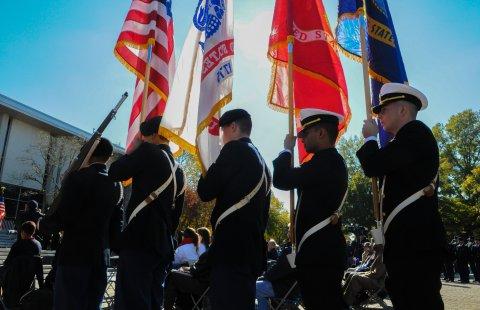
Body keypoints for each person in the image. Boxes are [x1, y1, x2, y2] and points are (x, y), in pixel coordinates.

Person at [356, 83, 446, 309]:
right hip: (409, 242)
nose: (379, 116)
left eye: (383, 109)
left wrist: (370, 139)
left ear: (403, 111)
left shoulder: (415, 132)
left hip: (416, 242)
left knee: (419, 300)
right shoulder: (405, 139)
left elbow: (374, 165)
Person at [273, 109, 348, 309]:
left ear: (321, 133)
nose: (302, 139)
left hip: (321, 254)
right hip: (318, 251)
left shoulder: (327, 161)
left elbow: (281, 179)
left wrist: (286, 150)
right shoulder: (324, 162)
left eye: (306, 133)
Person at [197, 109, 271, 310]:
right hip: (251, 252)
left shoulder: (234, 150)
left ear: (233, 127)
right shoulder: (264, 165)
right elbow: (264, 216)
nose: (220, 136)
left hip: (230, 251)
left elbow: (205, 192)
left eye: (221, 130)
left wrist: (208, 164)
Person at [109, 116, 185, 310]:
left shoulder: (148, 152)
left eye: (144, 135)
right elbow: (176, 216)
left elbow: (115, 172)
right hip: (163, 244)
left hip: (139, 241)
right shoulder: (180, 171)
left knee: (131, 302)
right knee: (153, 301)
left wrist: (133, 148)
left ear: (152, 135)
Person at [40, 138, 123, 310]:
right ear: (108, 157)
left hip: (74, 256)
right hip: (101, 258)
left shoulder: (77, 178)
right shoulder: (117, 185)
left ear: (89, 153)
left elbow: (64, 216)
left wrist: (43, 225)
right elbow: (116, 228)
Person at [0, 221, 44, 307]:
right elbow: (38, 264)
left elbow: (7, 262)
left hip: (13, 281)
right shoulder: (38, 245)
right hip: (28, 281)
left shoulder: (18, 245)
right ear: (33, 232)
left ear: (23, 232)